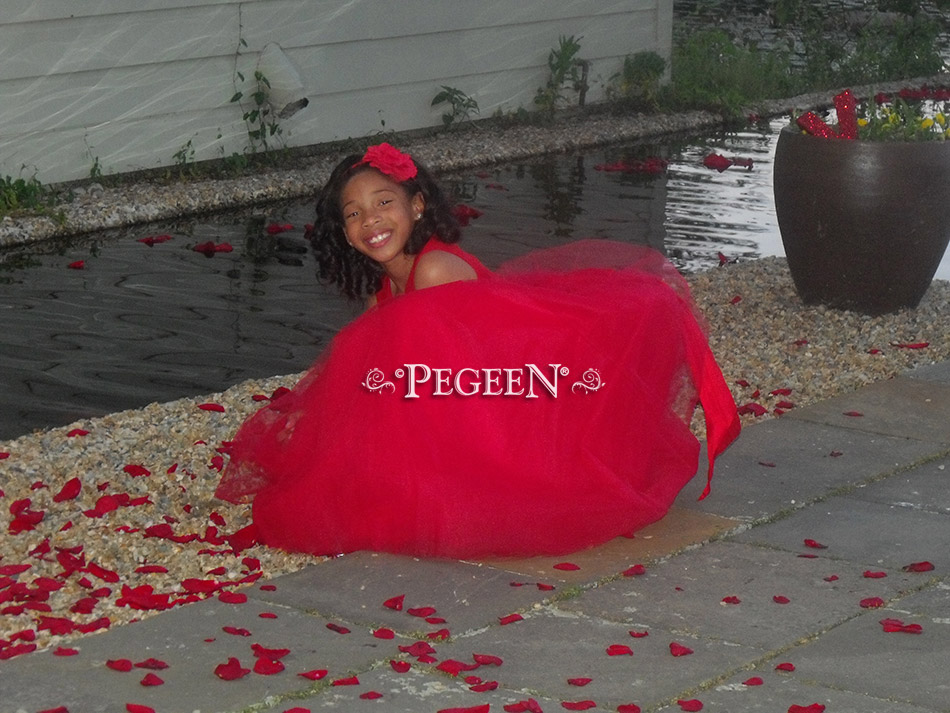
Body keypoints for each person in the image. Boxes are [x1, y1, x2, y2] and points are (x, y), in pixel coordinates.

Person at [215, 143, 740, 559]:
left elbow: (463, 391)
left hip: (507, 405)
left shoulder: (435, 271)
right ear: (345, 233)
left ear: (416, 206)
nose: (370, 221)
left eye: (383, 204)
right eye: (353, 214)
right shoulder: (388, 287)